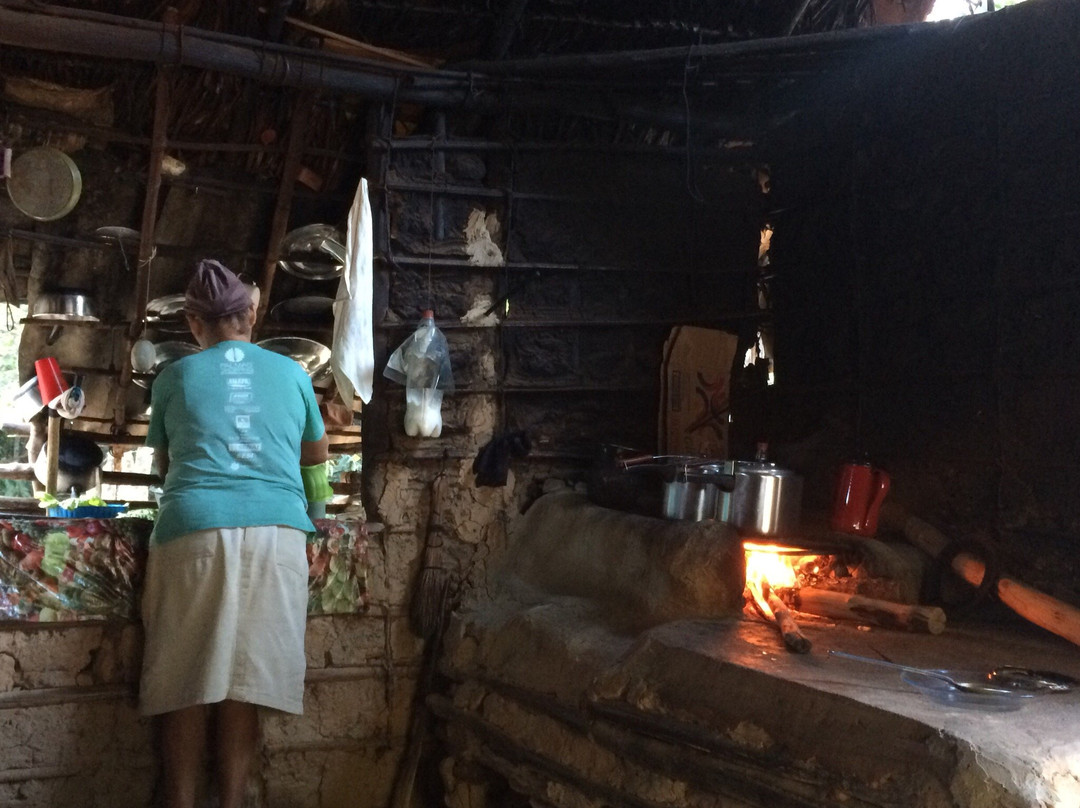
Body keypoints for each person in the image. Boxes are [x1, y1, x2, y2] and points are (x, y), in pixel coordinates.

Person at [139, 259, 331, 808]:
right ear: (251, 315)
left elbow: (165, 463)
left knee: (186, 685)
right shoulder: (293, 373)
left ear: (194, 324)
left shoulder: (173, 376)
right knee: (245, 687)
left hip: (193, 532)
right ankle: (232, 801)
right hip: (278, 537)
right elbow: (315, 456)